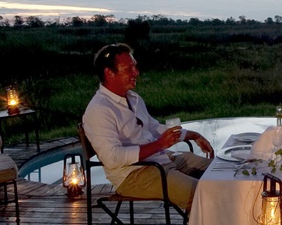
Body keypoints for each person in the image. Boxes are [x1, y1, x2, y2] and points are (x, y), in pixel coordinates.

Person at [82, 43, 214, 212]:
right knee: (203, 193)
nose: (136, 73)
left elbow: (153, 127)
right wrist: (159, 145)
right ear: (110, 73)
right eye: (129, 69)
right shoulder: (100, 110)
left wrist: (193, 135)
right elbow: (112, 157)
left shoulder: (133, 98)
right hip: (133, 174)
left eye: (135, 67)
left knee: (219, 173)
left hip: (160, 160)